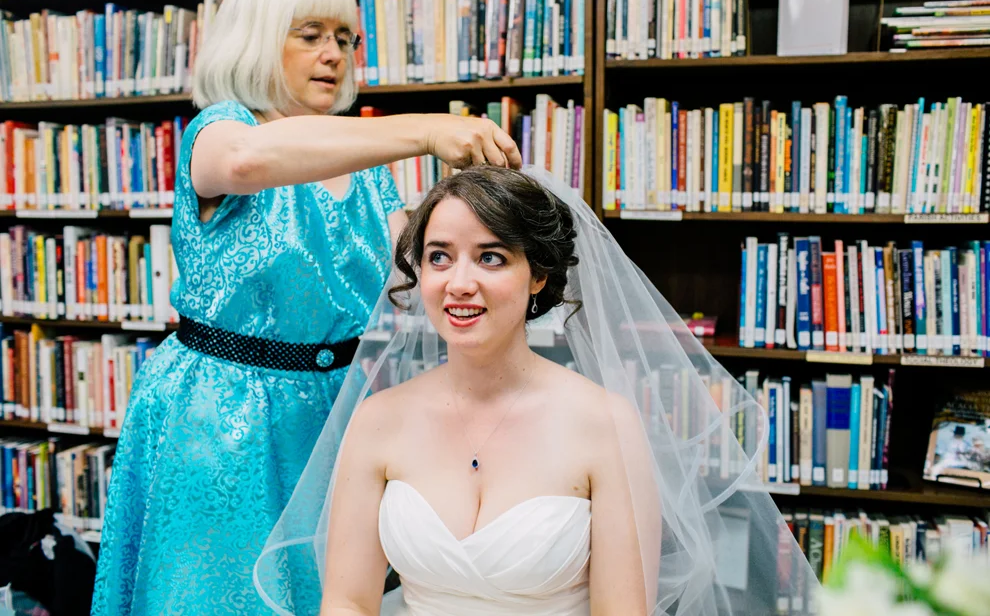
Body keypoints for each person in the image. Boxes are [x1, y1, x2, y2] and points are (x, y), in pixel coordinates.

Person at [90, 0, 520, 616]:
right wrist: (427, 129)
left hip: (338, 415)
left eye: (346, 39)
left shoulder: (368, 171)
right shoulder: (218, 131)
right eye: (310, 34)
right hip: (222, 416)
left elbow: (421, 268)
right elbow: (246, 162)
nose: (333, 55)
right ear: (259, 39)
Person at [253, 166, 823, 615]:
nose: (460, 283)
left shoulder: (605, 424)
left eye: (491, 257)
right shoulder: (378, 420)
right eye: (439, 258)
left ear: (539, 276)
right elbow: (348, 603)